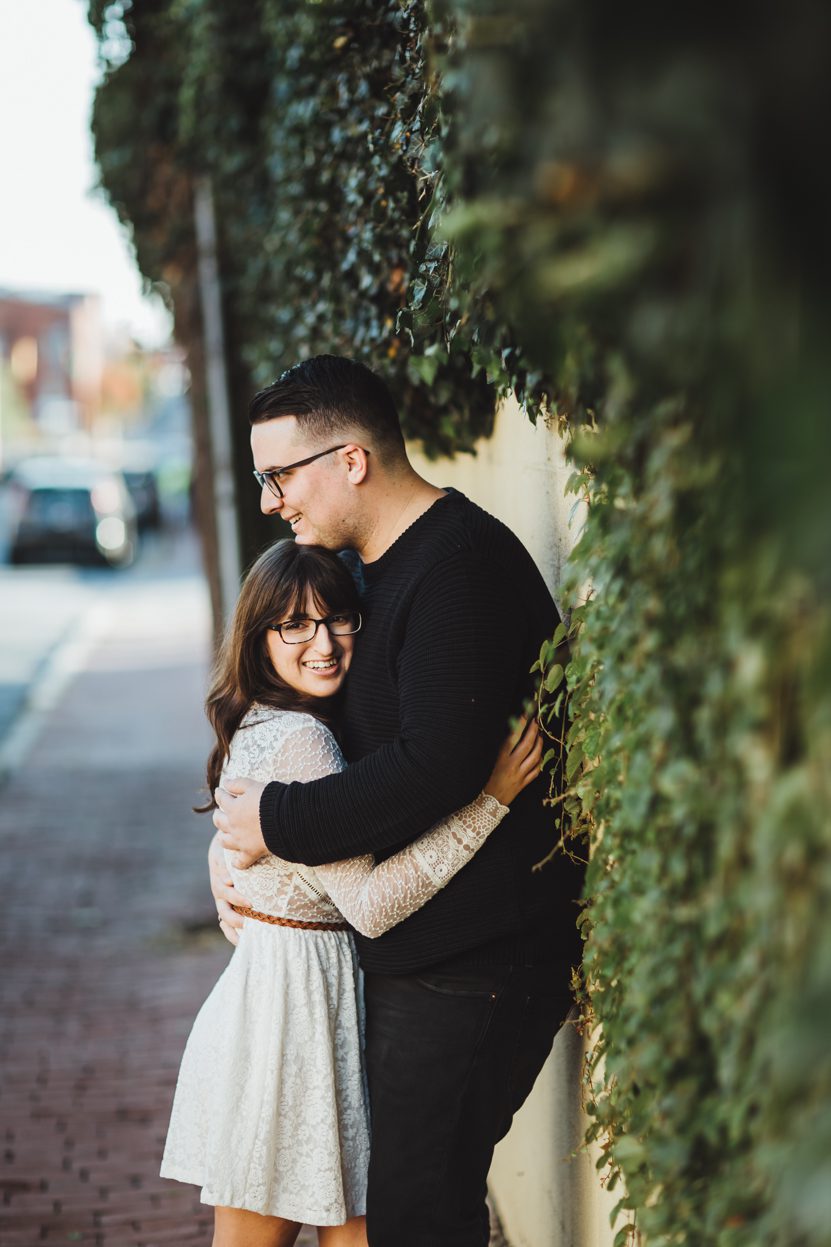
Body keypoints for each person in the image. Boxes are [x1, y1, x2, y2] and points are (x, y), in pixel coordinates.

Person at [212, 355, 584, 1247]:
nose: (270, 501)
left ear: (351, 459)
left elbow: (435, 765)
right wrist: (232, 853)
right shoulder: (363, 572)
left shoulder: (457, 569)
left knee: (418, 1213)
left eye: (279, 475)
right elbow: (301, 728)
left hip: (476, 963)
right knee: (396, 1208)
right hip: (410, 955)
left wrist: (276, 823)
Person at [162, 538, 542, 1247]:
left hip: (294, 1001)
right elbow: (368, 904)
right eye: (294, 625)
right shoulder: (304, 740)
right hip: (292, 1021)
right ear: (258, 636)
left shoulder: (266, 718)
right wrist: (488, 802)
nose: (324, 643)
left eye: (338, 618)